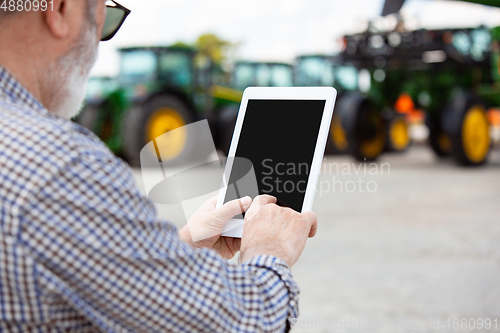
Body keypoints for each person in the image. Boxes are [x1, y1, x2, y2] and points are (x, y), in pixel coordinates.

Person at [0, 1, 318, 332]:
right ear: (59, 10)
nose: (97, 45)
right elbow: (241, 324)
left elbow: (100, 278)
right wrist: (268, 251)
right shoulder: (61, 164)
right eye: (105, 21)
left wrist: (180, 246)